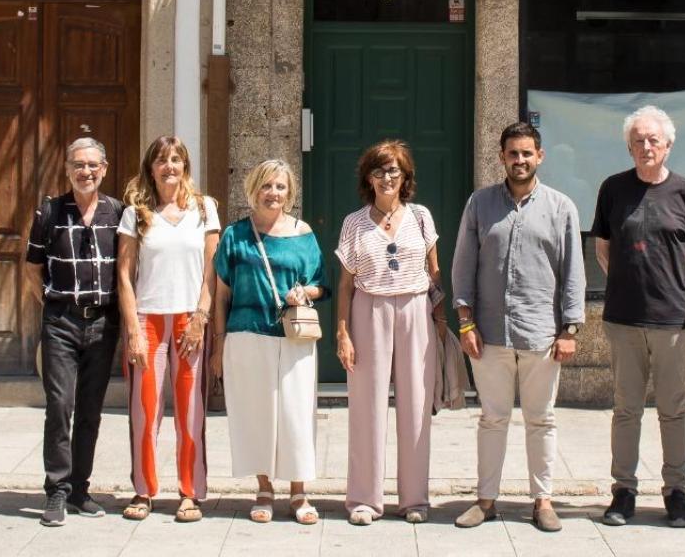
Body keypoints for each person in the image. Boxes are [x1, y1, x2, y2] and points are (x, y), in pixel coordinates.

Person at [451, 122, 584, 533]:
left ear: (539, 156)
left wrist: (570, 330)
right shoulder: (480, 204)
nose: (520, 160)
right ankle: (486, 499)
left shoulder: (561, 207)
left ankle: (542, 500)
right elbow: (463, 266)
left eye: (527, 153)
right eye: (513, 153)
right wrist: (466, 322)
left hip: (541, 333)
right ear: (502, 157)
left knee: (541, 419)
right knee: (492, 419)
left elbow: (573, 272)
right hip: (488, 333)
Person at [592, 105, 685, 529]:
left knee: (673, 409)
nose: (646, 146)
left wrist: (670, 285)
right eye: (638, 140)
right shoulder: (612, 189)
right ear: (628, 146)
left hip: (673, 321)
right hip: (622, 317)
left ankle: (676, 491)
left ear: (668, 145)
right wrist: (628, 283)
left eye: (653, 140)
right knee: (626, 408)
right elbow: (602, 246)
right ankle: (623, 491)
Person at [211, 159, 330, 525]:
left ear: (289, 192)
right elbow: (220, 295)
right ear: (253, 190)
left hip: (293, 338)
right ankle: (264, 488)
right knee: (256, 415)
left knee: (296, 414)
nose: (273, 193)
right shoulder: (235, 235)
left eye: (280, 187)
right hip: (246, 334)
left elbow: (321, 284)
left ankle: (299, 491)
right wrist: (218, 344)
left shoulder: (303, 232)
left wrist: (302, 291)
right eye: (266, 186)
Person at [336, 140, 444, 525]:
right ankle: (365, 499)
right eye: (379, 171)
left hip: (416, 310)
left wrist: (443, 324)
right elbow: (346, 285)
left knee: (416, 407)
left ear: (406, 176)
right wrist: (343, 333)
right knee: (366, 407)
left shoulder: (420, 217)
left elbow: (435, 275)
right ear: (369, 177)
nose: (387, 178)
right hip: (369, 310)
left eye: (394, 170)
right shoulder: (353, 222)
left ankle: (415, 499)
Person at [115, 136, 218, 522]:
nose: (169, 166)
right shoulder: (135, 213)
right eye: (161, 160)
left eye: (176, 160)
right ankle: (144, 491)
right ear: (151, 168)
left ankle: (190, 493)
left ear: (185, 166)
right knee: (145, 411)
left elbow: (212, 270)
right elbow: (124, 276)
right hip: (148, 319)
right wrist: (133, 330)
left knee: (191, 411)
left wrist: (200, 318)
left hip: (189, 320)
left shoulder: (204, 209)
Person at [24, 136, 123, 527]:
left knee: (90, 409)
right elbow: (32, 267)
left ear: (104, 169)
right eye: (78, 165)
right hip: (61, 321)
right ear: (67, 169)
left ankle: (80, 489)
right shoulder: (49, 212)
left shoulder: (117, 212)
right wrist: (49, 306)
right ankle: (57, 491)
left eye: (93, 165)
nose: (86, 172)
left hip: (102, 322)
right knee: (59, 405)